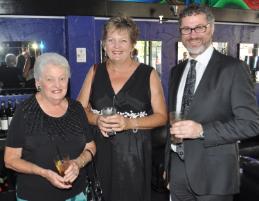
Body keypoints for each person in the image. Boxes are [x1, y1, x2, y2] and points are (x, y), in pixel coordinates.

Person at [165, 4, 259, 201]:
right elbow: (172, 123)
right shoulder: (176, 72)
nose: (193, 35)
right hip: (179, 172)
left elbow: (251, 124)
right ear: (180, 32)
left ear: (211, 28)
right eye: (186, 29)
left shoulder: (234, 69)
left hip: (214, 174)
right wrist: (169, 167)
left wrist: (201, 131)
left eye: (199, 27)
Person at [77, 15, 167, 201]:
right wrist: (97, 119)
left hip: (135, 155)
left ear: (133, 44)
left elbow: (161, 116)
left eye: (123, 41)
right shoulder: (94, 72)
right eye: (111, 40)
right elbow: (79, 109)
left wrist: (129, 122)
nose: (116, 46)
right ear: (104, 44)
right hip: (100, 151)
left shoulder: (148, 74)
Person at [4, 52, 96, 201]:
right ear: (38, 82)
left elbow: (91, 147)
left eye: (62, 78)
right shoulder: (25, 111)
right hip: (34, 195)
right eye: (50, 79)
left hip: (77, 195)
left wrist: (78, 163)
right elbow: (10, 160)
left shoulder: (77, 109)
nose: (57, 85)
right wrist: (44, 173)